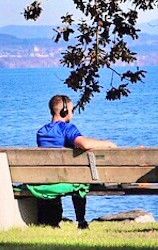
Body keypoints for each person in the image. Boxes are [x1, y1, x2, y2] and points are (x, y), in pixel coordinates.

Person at [31, 94, 117, 229]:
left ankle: (51, 221)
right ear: (64, 111)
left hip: (46, 180)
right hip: (66, 178)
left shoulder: (41, 132)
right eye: (71, 110)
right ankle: (81, 221)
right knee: (79, 179)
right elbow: (85, 144)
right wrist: (108, 144)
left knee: (68, 176)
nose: (72, 114)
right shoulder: (67, 129)